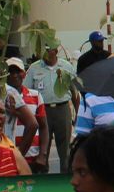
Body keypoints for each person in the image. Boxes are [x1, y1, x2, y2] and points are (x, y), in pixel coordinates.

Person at [25, 44, 76, 172]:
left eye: (48, 50)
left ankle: (65, 176)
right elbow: (26, 91)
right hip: (42, 111)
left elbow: (74, 92)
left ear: (56, 51)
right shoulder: (34, 68)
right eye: (44, 50)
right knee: (43, 147)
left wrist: (77, 113)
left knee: (65, 148)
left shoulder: (66, 67)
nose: (46, 52)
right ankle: (43, 176)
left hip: (62, 109)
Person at [2, 57, 43, 160]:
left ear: (24, 74)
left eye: (18, 71)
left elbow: (39, 125)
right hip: (7, 152)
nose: (14, 75)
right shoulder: (2, 95)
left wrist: (42, 154)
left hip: (30, 154)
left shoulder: (35, 95)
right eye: (11, 72)